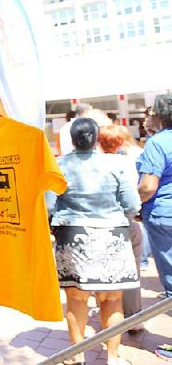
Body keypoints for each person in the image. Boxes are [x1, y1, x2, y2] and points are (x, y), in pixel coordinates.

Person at [51, 118, 141, 365]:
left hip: (73, 236)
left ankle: (76, 356)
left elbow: (49, 205)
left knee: (76, 299)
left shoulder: (58, 165)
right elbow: (131, 203)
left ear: (72, 139)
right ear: (96, 137)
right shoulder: (116, 164)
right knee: (112, 299)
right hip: (112, 234)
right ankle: (113, 357)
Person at [98, 124, 145, 334]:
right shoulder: (127, 163)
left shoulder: (93, 162)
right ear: (121, 142)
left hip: (98, 223)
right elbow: (133, 200)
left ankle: (107, 317)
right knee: (132, 271)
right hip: (125, 223)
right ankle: (134, 319)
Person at [137, 94, 172, 299]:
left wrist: (135, 203)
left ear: (159, 116)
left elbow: (148, 186)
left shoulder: (157, 143)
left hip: (164, 213)